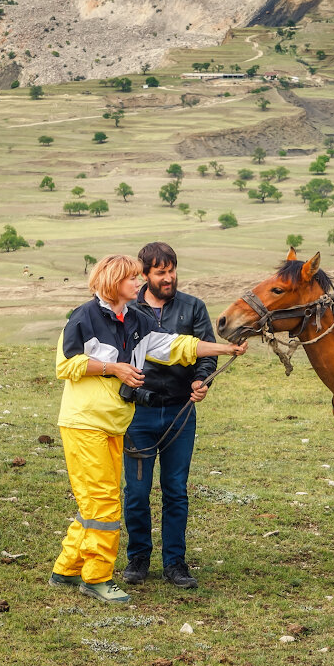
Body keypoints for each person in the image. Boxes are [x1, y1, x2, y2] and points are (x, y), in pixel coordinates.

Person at [49, 254, 246, 605]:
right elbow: (67, 364)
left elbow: (175, 347)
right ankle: (96, 577)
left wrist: (224, 347)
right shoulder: (85, 317)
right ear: (112, 281)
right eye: (131, 279)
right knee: (104, 503)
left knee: (93, 501)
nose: (138, 283)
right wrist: (117, 369)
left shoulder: (136, 319)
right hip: (84, 423)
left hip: (113, 424)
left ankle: (67, 567)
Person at [120, 242, 216, 589]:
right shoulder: (127, 310)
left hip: (180, 412)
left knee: (176, 489)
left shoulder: (193, 307)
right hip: (137, 414)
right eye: (161, 272)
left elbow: (206, 353)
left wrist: (201, 379)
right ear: (145, 274)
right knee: (137, 491)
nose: (169, 277)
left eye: (172, 269)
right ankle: (138, 558)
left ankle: (175, 562)